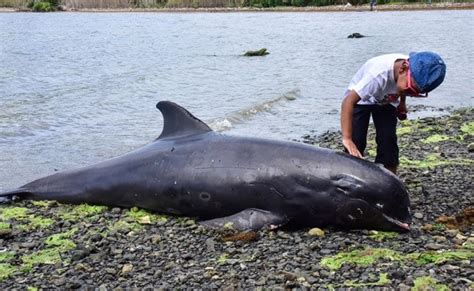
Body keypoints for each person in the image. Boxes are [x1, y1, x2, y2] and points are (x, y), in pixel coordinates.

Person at [340, 52, 446, 174]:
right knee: (356, 139)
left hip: (386, 99)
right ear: (402, 69)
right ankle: (350, 174)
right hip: (362, 99)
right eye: (410, 90)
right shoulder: (377, 76)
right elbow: (348, 102)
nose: (411, 94)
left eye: (416, 94)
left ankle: (388, 177)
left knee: (388, 139)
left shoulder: (411, 73)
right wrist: (347, 138)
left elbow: (405, 87)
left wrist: (402, 103)